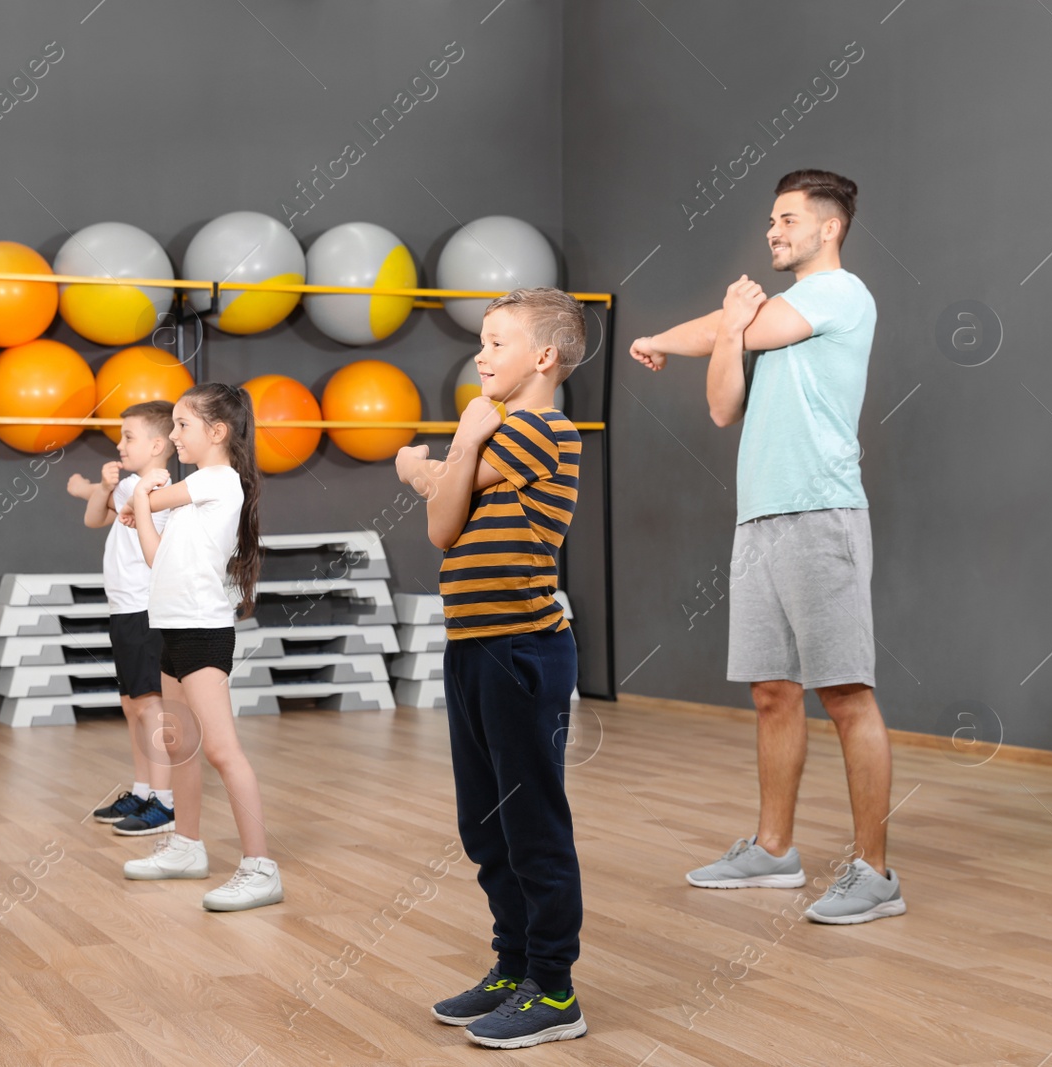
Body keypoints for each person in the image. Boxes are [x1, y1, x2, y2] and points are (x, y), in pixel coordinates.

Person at [630, 169, 904, 924]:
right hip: (761, 519)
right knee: (771, 692)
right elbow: (729, 374)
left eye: (787, 219)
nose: (773, 231)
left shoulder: (837, 296)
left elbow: (737, 330)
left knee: (845, 692)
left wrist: (708, 324)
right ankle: (774, 849)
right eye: (771, 221)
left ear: (829, 227)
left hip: (822, 515)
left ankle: (875, 871)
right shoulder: (781, 314)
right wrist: (663, 337)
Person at [395, 287, 588, 1049]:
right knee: (484, 820)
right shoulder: (498, 436)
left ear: (543, 357)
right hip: (472, 644)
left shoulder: (543, 430)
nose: (480, 354)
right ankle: (512, 968)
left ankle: (556, 986)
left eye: (497, 341)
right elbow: (450, 515)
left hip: (523, 649)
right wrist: (446, 465)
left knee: (532, 818)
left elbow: (443, 510)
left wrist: (441, 455)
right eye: (482, 340)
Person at [116, 383, 282, 912]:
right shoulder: (194, 496)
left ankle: (261, 868)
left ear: (218, 432)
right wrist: (142, 504)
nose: (173, 435)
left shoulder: (218, 480)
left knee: (221, 750)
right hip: (173, 628)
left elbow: (145, 497)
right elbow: (153, 554)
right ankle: (186, 846)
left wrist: (144, 494)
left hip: (203, 632)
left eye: (183, 426)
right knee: (180, 746)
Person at [68, 401, 177, 836]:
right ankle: (144, 788)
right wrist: (96, 487)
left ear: (156, 444)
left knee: (151, 707)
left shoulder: (160, 487)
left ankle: (165, 803)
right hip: (124, 610)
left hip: (147, 611)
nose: (119, 443)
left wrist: (92, 485)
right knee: (132, 704)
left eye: (128, 436)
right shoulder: (130, 485)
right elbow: (94, 517)